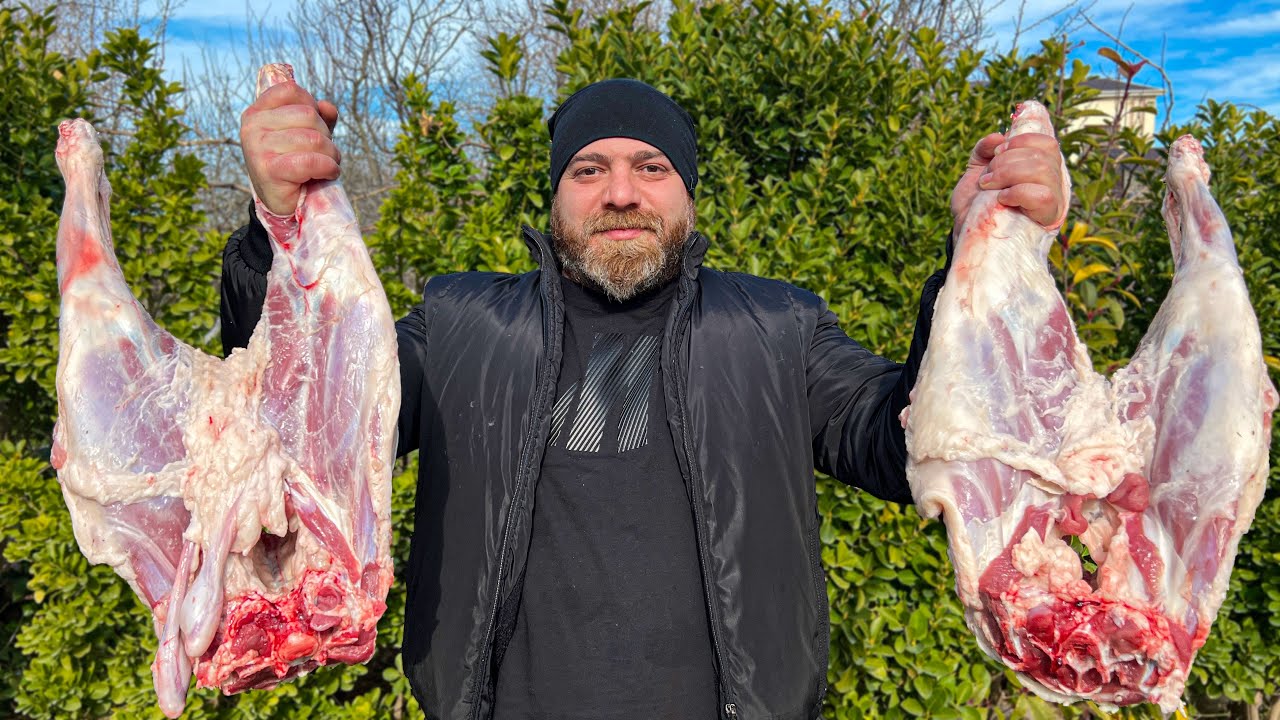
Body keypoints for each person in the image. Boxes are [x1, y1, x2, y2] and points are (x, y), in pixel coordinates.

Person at [222, 78, 1066, 720]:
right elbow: (302, 425)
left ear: (689, 197)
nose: (620, 192)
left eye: (650, 168)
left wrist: (981, 258)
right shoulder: (457, 327)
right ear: (555, 196)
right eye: (589, 169)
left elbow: (905, 441)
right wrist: (281, 230)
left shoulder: (776, 329)